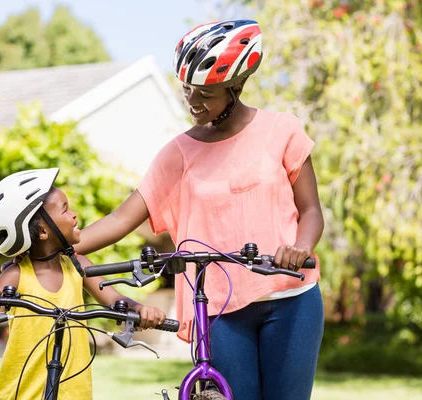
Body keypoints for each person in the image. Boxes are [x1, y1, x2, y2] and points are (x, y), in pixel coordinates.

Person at [68, 20, 325, 400]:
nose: (193, 101)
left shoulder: (281, 130)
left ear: (236, 87)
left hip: (291, 300)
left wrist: (301, 246)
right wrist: (63, 243)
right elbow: (122, 218)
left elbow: (311, 210)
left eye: (206, 92)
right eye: (187, 89)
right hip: (220, 309)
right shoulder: (179, 153)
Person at [0, 168, 167, 400]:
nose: (74, 215)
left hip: (73, 393)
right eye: (65, 209)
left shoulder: (77, 265)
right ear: (42, 231)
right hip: (23, 394)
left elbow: (114, 300)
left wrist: (140, 309)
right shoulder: (16, 275)